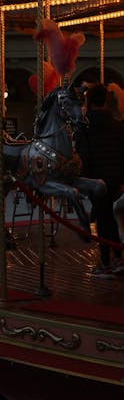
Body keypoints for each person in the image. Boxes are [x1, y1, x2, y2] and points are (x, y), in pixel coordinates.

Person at [76, 83, 124, 277]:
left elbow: (84, 157)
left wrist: (83, 181)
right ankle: (118, 258)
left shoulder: (86, 128)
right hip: (117, 180)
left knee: (104, 223)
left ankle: (106, 262)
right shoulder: (118, 125)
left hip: (97, 181)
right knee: (114, 220)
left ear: (88, 101)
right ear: (106, 100)